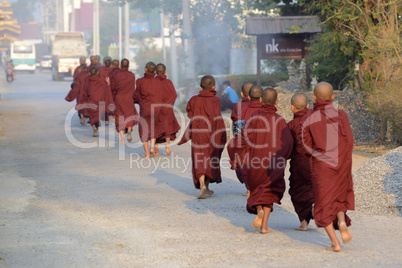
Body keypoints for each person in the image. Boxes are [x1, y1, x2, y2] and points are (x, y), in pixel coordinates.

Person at [298, 82, 354, 252]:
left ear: (314, 97)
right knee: (339, 196)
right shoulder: (341, 114)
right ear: (332, 97)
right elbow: (349, 140)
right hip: (342, 163)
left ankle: (335, 243)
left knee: (323, 204)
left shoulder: (308, 118)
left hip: (322, 166)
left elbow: (304, 147)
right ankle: (342, 221)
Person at [228, 88, 293, 234]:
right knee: (270, 191)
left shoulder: (253, 118)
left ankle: (258, 210)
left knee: (257, 190)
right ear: (277, 101)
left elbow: (243, 138)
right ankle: (264, 227)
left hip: (255, 163)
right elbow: (288, 143)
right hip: (273, 164)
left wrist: (235, 151)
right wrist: (283, 158)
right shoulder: (280, 120)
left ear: (261, 100)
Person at [178, 75, 227, 199]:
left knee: (199, 159)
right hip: (212, 133)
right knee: (211, 158)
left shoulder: (194, 99)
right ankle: (206, 186)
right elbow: (217, 116)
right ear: (214, 86)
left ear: (200, 85)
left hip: (198, 133)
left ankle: (203, 186)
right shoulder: (216, 100)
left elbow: (189, 111)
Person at [287, 93, 314, 231]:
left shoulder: (291, 125)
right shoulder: (316, 121)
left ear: (292, 107)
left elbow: (287, 146)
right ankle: (316, 207)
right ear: (308, 106)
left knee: (298, 190)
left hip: (299, 163)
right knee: (316, 188)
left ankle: (304, 223)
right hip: (318, 162)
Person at [230, 85, 262, 197]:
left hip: (243, 139)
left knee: (244, 164)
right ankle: (255, 187)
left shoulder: (239, 106)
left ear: (242, 94)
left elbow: (235, 122)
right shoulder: (263, 109)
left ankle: (249, 189)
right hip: (260, 140)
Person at [134, 62, 163, 158]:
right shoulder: (158, 81)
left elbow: (137, 95)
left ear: (145, 69)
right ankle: (152, 148)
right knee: (154, 126)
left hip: (145, 108)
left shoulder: (140, 81)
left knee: (144, 128)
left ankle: (147, 154)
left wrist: (138, 102)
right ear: (155, 71)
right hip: (157, 108)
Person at [155, 63, 181, 155]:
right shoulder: (169, 82)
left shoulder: (153, 82)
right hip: (167, 108)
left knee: (156, 127)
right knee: (167, 127)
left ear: (155, 72)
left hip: (156, 108)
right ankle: (167, 145)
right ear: (165, 72)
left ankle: (156, 149)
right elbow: (174, 95)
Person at [110, 58, 138, 143]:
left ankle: (122, 139)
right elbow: (133, 87)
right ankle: (129, 128)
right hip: (129, 98)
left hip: (119, 98)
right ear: (128, 66)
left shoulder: (116, 75)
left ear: (120, 66)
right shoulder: (132, 75)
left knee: (119, 117)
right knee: (129, 115)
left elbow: (113, 88)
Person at [85, 66, 114, 137]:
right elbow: (106, 90)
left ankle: (94, 127)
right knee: (98, 115)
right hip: (100, 102)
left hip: (91, 102)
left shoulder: (87, 81)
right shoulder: (101, 81)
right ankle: (96, 126)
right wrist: (108, 84)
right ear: (98, 72)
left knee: (92, 116)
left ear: (89, 73)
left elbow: (84, 91)